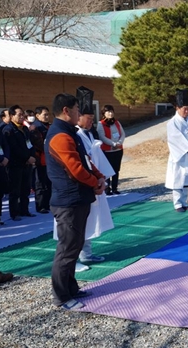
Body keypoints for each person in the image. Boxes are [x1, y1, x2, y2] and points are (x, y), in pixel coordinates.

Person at [46, 93, 105, 310]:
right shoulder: (60, 136)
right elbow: (76, 169)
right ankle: (61, 296)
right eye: (77, 109)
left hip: (78, 198)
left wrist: (99, 177)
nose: (80, 113)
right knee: (67, 248)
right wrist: (93, 182)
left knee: (76, 244)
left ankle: (71, 288)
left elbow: (86, 160)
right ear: (66, 111)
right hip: (68, 201)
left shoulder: (70, 133)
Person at [71, 87, 115, 272]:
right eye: (88, 119)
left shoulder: (89, 134)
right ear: (78, 116)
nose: (90, 122)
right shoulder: (74, 134)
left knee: (89, 220)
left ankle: (86, 253)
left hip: (93, 182)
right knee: (77, 224)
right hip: (81, 184)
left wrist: (101, 178)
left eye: (91, 119)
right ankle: (74, 259)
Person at [165, 89, 188, 213]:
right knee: (178, 180)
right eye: (184, 109)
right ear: (177, 108)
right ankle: (177, 204)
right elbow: (176, 139)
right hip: (180, 156)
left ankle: (184, 202)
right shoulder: (172, 123)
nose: (186, 111)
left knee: (186, 181)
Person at [3, 105, 36, 220]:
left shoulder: (25, 129)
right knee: (15, 190)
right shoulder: (9, 130)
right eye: (19, 115)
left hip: (27, 164)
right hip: (15, 164)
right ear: (12, 116)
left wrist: (32, 155)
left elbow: (30, 144)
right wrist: (27, 158)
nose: (22, 117)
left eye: (23, 114)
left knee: (25, 189)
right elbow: (14, 148)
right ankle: (15, 212)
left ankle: (24, 210)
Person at [96, 104, 125, 195]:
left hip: (118, 150)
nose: (110, 113)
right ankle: (107, 189)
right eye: (108, 111)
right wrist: (113, 144)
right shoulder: (101, 124)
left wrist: (119, 143)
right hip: (108, 151)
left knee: (116, 169)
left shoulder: (117, 122)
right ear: (104, 113)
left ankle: (115, 188)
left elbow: (123, 134)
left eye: (112, 111)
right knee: (108, 169)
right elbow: (102, 136)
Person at [29, 106, 51, 213]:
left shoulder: (49, 126)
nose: (47, 117)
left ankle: (48, 204)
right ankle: (41, 205)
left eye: (48, 114)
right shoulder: (35, 127)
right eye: (44, 114)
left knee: (49, 182)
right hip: (40, 159)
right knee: (40, 183)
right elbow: (37, 143)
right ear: (37, 116)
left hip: (50, 158)